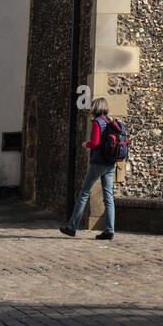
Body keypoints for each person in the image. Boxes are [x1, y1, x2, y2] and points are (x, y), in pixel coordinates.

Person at [60, 97, 118, 239]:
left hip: (98, 163)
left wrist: (86, 144)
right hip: (110, 164)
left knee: (84, 193)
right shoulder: (109, 121)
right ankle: (109, 230)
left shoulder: (98, 122)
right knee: (108, 197)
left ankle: (72, 227)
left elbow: (95, 142)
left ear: (95, 108)